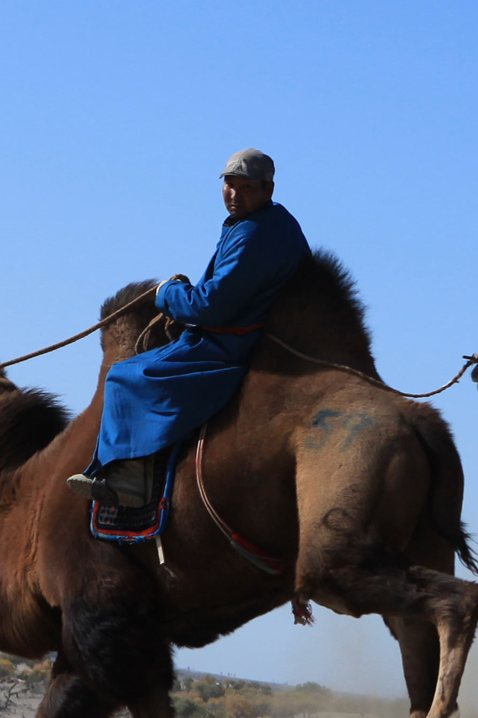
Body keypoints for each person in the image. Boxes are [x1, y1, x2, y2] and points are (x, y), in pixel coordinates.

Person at [69, 150, 310, 523]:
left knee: (123, 376)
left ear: (268, 189)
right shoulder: (276, 224)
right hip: (256, 334)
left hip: (229, 346)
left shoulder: (252, 233)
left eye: (247, 187)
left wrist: (166, 293)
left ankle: (130, 478)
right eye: (230, 184)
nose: (235, 194)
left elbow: (209, 306)